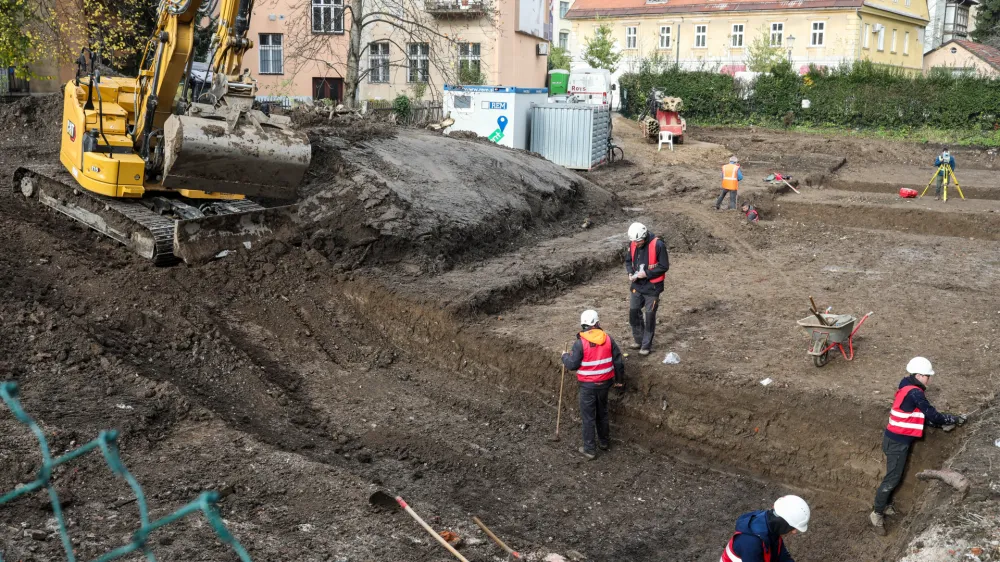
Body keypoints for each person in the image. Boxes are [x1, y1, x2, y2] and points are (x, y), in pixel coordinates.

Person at [870, 357, 966, 535]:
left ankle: (885, 504)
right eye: (928, 376)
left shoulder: (906, 385)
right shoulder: (915, 393)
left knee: (893, 475)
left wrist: (940, 423)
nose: (929, 379)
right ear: (919, 375)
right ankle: (876, 513)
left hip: (893, 439)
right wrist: (951, 419)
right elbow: (932, 414)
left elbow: (919, 414)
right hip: (897, 443)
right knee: (892, 479)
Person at [561, 309, 625, 460]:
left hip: (588, 387)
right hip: (604, 384)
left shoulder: (580, 343)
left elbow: (572, 365)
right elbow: (618, 362)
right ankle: (604, 442)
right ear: (597, 323)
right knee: (602, 413)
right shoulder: (608, 339)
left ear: (583, 324)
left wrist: (564, 356)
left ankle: (589, 449)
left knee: (588, 417)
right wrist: (619, 381)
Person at [720, 495, 810, 562]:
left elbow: (782, 557)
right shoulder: (751, 543)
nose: (794, 531)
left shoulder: (770, 527)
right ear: (783, 522)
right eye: (793, 527)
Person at [624, 222, 670, 356]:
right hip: (637, 285)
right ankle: (638, 340)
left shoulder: (658, 245)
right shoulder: (633, 243)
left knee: (649, 316)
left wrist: (647, 274)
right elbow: (628, 261)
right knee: (634, 313)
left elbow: (664, 266)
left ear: (644, 237)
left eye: (638, 241)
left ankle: (646, 345)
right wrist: (630, 273)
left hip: (652, 288)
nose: (636, 244)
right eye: (634, 241)